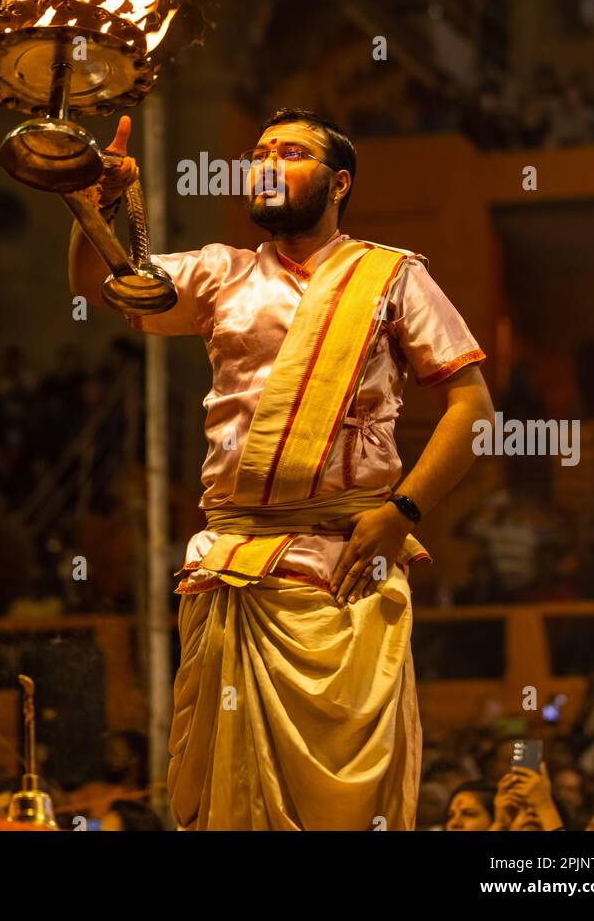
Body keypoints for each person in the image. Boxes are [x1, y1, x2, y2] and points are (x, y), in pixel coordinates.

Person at [70, 108, 493, 832]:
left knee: (346, 806)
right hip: (233, 568)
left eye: (290, 153)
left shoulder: (390, 276)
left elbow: (472, 408)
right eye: (258, 152)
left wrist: (403, 513)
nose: (265, 163)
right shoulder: (219, 272)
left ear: (339, 182)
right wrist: (93, 203)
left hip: (345, 565)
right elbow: (97, 286)